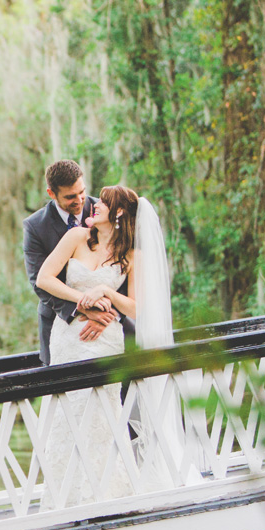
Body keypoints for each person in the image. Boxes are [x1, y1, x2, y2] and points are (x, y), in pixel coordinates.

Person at [34, 184, 182, 507]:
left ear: (116, 214)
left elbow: (136, 308)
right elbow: (45, 279)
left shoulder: (131, 255)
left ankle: (106, 493)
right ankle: (63, 496)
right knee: (67, 413)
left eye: (102, 202)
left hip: (105, 342)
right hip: (68, 339)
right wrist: (82, 300)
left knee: (102, 416)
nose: (93, 204)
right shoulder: (75, 238)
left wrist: (107, 293)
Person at [22, 160, 119, 367]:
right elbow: (39, 282)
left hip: (109, 320)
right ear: (51, 193)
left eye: (82, 192)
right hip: (61, 321)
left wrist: (105, 316)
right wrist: (82, 309)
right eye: (70, 197)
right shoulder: (35, 227)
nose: (80, 200)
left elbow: (124, 268)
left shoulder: (104, 210)